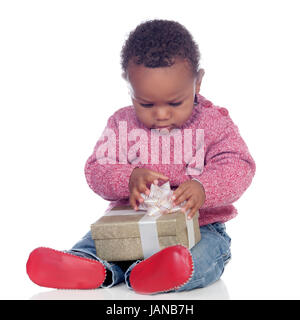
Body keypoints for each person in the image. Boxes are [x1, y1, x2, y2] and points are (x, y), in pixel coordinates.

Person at [26, 19, 256, 294]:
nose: (160, 114)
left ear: (197, 83)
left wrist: (203, 188)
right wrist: (128, 178)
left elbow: (237, 164)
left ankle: (158, 273)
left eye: (175, 102)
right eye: (146, 103)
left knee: (204, 253)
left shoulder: (213, 122)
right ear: (129, 87)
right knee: (101, 243)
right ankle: (85, 265)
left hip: (198, 226)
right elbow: (97, 167)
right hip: (129, 223)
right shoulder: (121, 124)